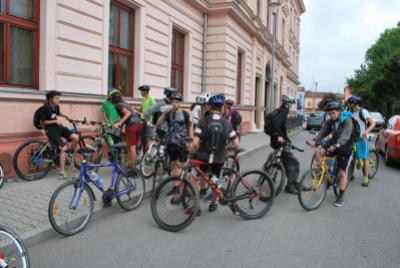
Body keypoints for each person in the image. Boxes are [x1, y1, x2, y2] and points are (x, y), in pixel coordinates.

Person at [192, 94, 240, 212]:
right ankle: (213, 204)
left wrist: (196, 147)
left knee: (195, 179)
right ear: (222, 108)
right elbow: (236, 143)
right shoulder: (227, 124)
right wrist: (226, 147)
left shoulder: (203, 121)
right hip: (219, 158)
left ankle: (196, 206)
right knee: (215, 180)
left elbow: (195, 142)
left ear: (210, 107)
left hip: (203, 157)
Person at [311, 101, 354, 207]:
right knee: (318, 151)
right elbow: (323, 132)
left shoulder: (347, 121)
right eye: (330, 114)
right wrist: (316, 141)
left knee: (342, 173)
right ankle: (325, 172)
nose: (332, 115)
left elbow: (345, 136)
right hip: (334, 144)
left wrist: (337, 145)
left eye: (334, 113)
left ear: (339, 111)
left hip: (345, 148)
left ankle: (340, 197)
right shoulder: (330, 122)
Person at [40, 90, 79, 180]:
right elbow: (43, 122)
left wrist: (66, 117)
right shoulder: (45, 108)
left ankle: (68, 153)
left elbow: (58, 113)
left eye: (59, 98)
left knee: (75, 137)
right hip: (50, 130)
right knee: (63, 148)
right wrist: (54, 121)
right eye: (56, 98)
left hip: (58, 127)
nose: (59, 100)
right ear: (50, 99)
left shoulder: (56, 106)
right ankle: (61, 172)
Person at [157, 92, 193, 177]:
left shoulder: (185, 113)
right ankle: (176, 182)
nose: (174, 104)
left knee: (183, 164)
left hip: (182, 141)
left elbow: (190, 126)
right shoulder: (168, 113)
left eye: (176, 102)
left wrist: (191, 140)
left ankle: (184, 180)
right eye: (172, 102)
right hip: (170, 141)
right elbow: (158, 123)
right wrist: (164, 113)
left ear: (180, 103)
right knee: (173, 163)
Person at [270, 95, 300, 194]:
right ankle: (290, 186)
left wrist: (287, 140)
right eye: (290, 103)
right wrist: (279, 136)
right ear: (287, 103)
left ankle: (293, 182)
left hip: (277, 139)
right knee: (294, 162)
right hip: (279, 140)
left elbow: (281, 128)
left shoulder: (280, 110)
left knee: (281, 159)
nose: (291, 106)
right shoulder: (283, 111)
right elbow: (277, 124)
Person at [109, 89, 142, 168]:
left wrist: (119, 123)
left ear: (112, 98)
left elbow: (128, 113)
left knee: (131, 146)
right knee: (132, 145)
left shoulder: (118, 105)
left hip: (131, 125)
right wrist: (115, 122)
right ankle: (131, 164)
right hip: (138, 123)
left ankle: (132, 168)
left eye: (110, 98)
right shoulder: (125, 103)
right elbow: (128, 114)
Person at [347, 96, 376, 187]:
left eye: (350, 103)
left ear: (354, 104)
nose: (348, 105)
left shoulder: (363, 111)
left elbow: (373, 123)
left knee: (364, 158)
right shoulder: (350, 112)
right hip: (353, 138)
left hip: (362, 139)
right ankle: (351, 175)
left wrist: (366, 132)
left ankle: (366, 178)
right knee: (352, 158)